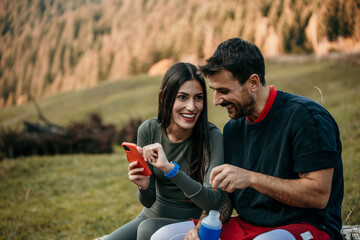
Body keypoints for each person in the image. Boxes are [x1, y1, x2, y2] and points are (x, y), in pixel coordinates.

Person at [154, 38, 344, 240]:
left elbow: (319, 195)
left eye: (224, 91)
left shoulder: (307, 118)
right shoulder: (233, 129)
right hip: (248, 226)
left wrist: (251, 178)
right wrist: (203, 224)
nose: (216, 100)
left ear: (253, 82)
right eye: (214, 91)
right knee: (164, 236)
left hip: (307, 226)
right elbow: (225, 200)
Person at [103, 62, 224, 240]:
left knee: (147, 229)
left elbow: (213, 201)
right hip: (151, 216)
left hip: (190, 221)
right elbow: (148, 201)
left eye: (198, 98)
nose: (192, 106)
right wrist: (143, 186)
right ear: (164, 97)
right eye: (182, 97)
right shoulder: (148, 130)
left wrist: (171, 169)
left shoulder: (212, 137)